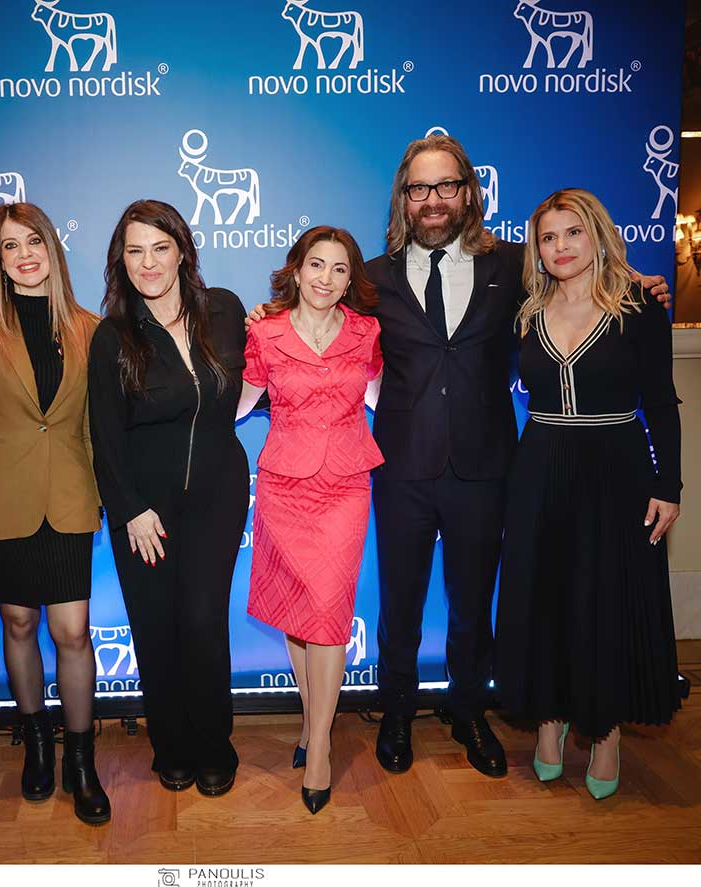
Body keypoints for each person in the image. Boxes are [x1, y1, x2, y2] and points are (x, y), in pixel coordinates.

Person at [246, 134, 669, 779]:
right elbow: (314, 318)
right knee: (400, 603)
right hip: (400, 466)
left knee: (473, 603)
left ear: (468, 192)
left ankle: (469, 710)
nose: (434, 199)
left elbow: (581, 274)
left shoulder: (516, 264)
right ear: (404, 198)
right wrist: (266, 312)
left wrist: (639, 282)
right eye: (420, 188)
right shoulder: (371, 278)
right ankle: (395, 710)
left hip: (486, 465)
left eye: (447, 185)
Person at [495, 189, 682, 800]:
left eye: (572, 232)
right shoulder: (526, 308)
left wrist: (669, 485)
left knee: (608, 600)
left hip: (616, 470)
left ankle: (606, 733)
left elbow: (661, 402)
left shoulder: (639, 307)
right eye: (548, 237)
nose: (561, 247)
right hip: (540, 466)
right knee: (544, 595)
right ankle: (548, 720)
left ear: (597, 235)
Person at [0, 202, 109, 824]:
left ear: (52, 248)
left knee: (73, 632)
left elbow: (94, 426)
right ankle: (37, 742)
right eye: (10, 246)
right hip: (3, 504)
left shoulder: (89, 328)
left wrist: (101, 498)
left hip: (69, 499)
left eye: (33, 241)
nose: (25, 255)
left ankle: (81, 762)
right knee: (17, 623)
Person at [87, 199, 249, 797]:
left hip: (218, 494)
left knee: (203, 621)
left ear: (182, 251)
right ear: (121, 260)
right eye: (135, 251)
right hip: (143, 508)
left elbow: (269, 366)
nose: (148, 262)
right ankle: (172, 746)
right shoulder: (112, 336)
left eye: (160, 248)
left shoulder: (225, 310)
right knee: (156, 625)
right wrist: (129, 508)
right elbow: (104, 436)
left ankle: (214, 745)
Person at [237, 227, 383, 814]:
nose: (326, 278)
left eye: (339, 269)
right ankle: (309, 722)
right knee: (299, 615)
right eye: (316, 265)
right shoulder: (263, 332)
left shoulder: (367, 332)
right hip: (284, 486)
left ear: (350, 280)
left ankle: (319, 746)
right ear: (296, 270)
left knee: (328, 614)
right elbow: (238, 403)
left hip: (346, 484)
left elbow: (383, 396)